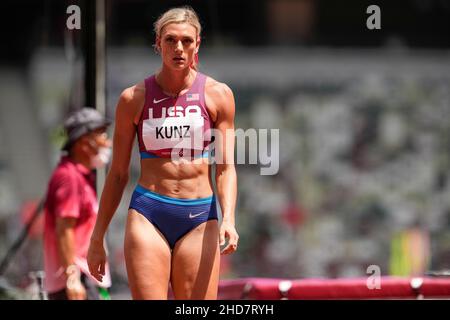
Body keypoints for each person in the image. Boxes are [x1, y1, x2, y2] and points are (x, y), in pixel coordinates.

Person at [87, 6, 238, 299]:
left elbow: (225, 167)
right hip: (148, 213)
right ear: (158, 43)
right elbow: (117, 174)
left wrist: (229, 217)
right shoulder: (133, 99)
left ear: (198, 44)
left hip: (199, 216)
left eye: (186, 41)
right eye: (170, 40)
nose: (178, 48)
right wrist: (97, 237)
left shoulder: (218, 95)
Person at [43, 107, 112, 300]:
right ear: (84, 142)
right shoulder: (69, 177)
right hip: (77, 283)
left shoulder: (81, 176)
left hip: (87, 280)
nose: (108, 142)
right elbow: (64, 229)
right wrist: (72, 278)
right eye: (101, 134)